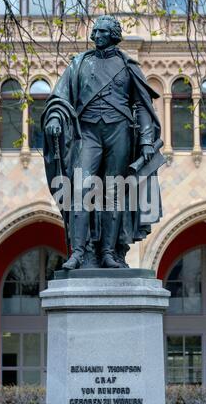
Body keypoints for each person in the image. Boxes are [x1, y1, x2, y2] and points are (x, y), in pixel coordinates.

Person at [42, 15, 163, 270]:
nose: (95, 36)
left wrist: (147, 142)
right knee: (80, 191)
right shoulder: (79, 64)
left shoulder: (128, 65)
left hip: (118, 131)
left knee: (113, 192)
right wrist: (54, 117)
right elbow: (59, 97)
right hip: (87, 133)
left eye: (101, 32)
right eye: (94, 31)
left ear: (113, 35)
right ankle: (78, 253)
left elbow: (142, 105)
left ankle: (109, 252)